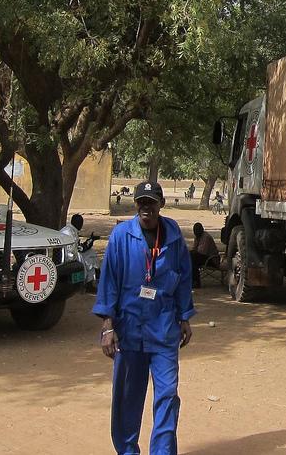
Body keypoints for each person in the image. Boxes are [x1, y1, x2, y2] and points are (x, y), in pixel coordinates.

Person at [93, 181, 195, 455]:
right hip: (130, 329)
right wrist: (107, 326)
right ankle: (127, 451)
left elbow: (184, 277)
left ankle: (162, 451)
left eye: (151, 202)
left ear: (160, 205)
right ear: (135, 205)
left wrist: (185, 317)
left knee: (167, 394)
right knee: (128, 397)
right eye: (141, 202)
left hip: (163, 329)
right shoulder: (121, 237)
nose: (146, 208)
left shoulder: (173, 235)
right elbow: (109, 282)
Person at [189, 222, 220, 288]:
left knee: (193, 257)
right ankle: (193, 280)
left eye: (197, 231)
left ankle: (196, 282)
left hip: (212, 259)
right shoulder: (197, 237)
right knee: (191, 257)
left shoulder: (206, 237)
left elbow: (202, 252)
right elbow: (194, 248)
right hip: (203, 257)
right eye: (195, 231)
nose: (196, 233)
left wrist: (193, 252)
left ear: (201, 230)